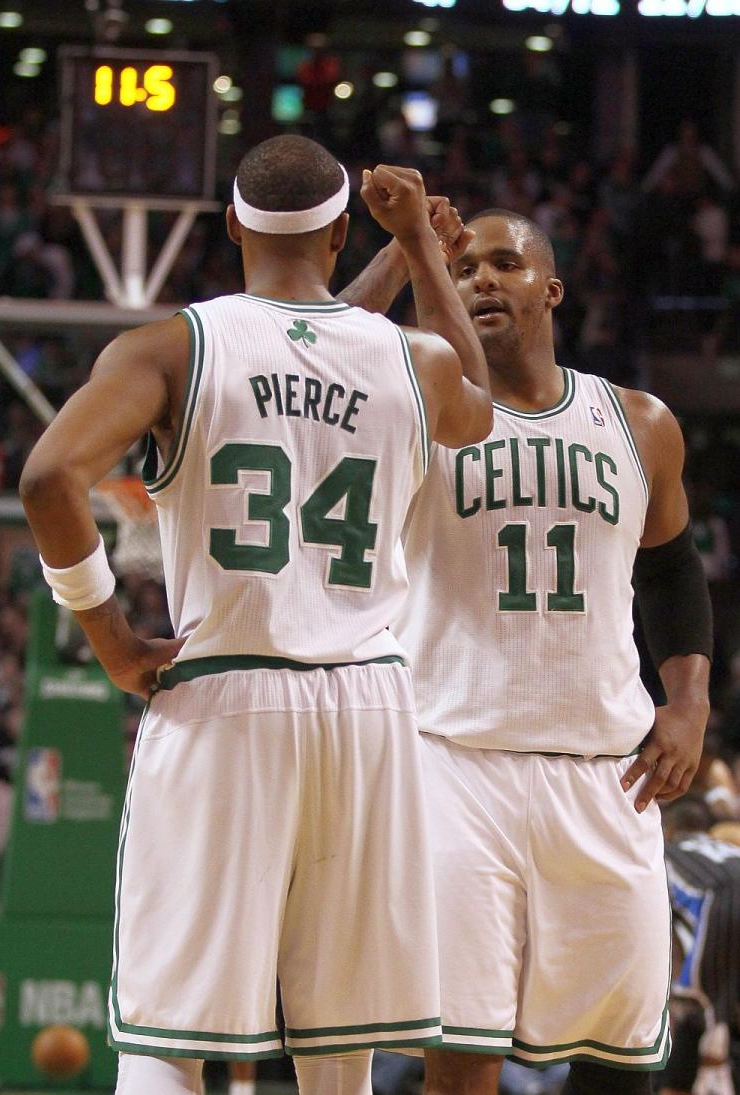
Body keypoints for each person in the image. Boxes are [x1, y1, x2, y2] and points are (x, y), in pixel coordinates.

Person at [19, 135, 493, 1095]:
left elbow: (47, 478)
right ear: (340, 229)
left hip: (227, 694)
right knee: (340, 1050)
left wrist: (111, 639)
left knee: (168, 1033)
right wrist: (419, 253)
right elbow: (472, 399)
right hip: (368, 706)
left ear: (231, 223)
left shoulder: (170, 348)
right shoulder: (414, 362)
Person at [369, 207, 711, 1095]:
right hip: (455, 763)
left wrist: (689, 703)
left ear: (550, 290)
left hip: (605, 772)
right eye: (466, 265)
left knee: (623, 1050)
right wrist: (410, 253)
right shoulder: (419, 415)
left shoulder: (639, 422)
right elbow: (325, 351)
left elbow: (674, 573)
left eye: (504, 263)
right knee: (461, 1054)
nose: (481, 277)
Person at [660, 796, 740, 1095]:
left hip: (719, 916)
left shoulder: (663, 854)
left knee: (699, 1022)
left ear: (667, 829)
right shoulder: (727, 851)